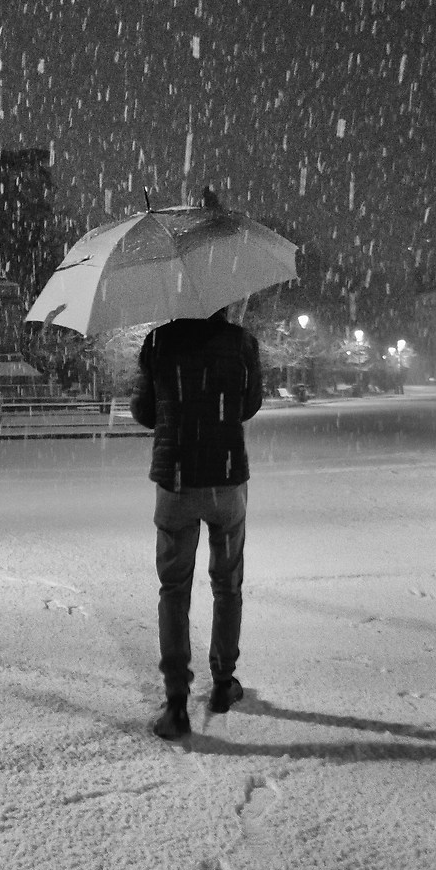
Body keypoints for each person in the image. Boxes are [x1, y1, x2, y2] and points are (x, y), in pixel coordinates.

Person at [130, 303, 265, 739]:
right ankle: (224, 683)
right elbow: (249, 405)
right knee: (228, 585)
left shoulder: (158, 342)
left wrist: (176, 405)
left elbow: (144, 412)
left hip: (177, 480)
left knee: (174, 591)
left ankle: (176, 704)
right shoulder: (242, 342)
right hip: (225, 481)